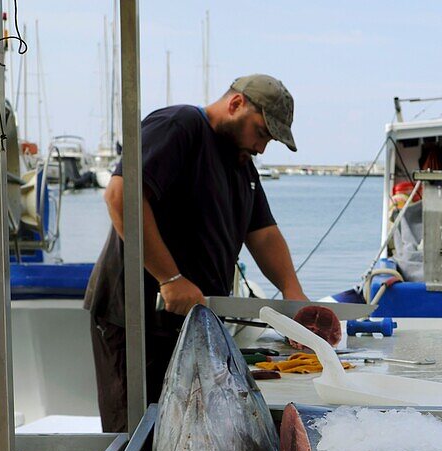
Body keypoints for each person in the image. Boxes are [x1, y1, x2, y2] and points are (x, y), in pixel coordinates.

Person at [85, 74, 308, 432]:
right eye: (262, 133)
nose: (262, 148)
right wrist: (169, 278)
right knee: (137, 438)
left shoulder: (242, 164)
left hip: (193, 323)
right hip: (139, 318)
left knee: (185, 436)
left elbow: (263, 234)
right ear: (236, 104)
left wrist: (292, 291)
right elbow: (121, 195)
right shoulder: (180, 126)